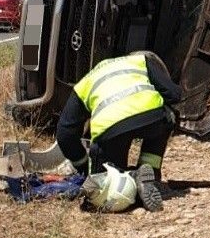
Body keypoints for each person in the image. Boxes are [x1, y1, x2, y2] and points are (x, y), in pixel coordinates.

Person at [56, 52, 182, 211]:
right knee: (168, 116)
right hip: (153, 119)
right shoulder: (141, 62)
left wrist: (82, 165)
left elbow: (65, 133)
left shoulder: (85, 82)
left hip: (111, 130)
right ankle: (149, 174)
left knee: (104, 191)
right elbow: (174, 94)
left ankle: (130, 178)